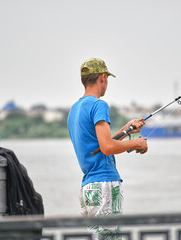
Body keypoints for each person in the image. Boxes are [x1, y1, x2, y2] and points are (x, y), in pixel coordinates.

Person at [67, 58, 148, 239]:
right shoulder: (99, 105)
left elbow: (99, 144)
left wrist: (127, 129)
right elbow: (107, 147)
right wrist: (138, 142)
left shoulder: (75, 109)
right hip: (104, 183)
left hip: (88, 187)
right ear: (103, 77)